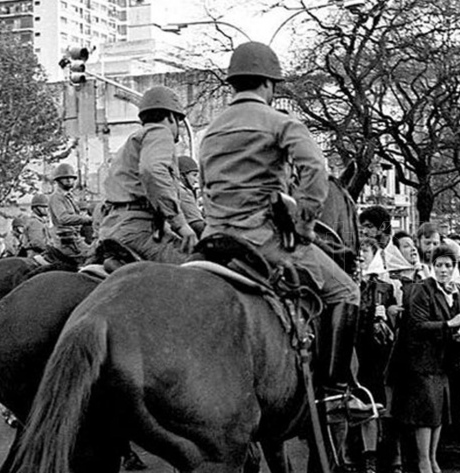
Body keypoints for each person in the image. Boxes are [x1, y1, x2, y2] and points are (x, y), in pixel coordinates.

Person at [198, 41, 364, 408]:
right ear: (269, 85)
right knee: (347, 291)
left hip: (213, 238)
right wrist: (305, 225)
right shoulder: (280, 122)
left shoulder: (209, 132)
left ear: (234, 84)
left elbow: (204, 185)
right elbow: (315, 171)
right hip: (261, 239)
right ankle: (336, 391)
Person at [391, 244, 460, 473]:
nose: (444, 270)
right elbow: (417, 325)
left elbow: (456, 324)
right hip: (421, 362)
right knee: (426, 415)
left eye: (448, 265)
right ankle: (423, 464)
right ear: (431, 266)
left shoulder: (454, 291)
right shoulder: (421, 290)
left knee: (438, 414)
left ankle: (433, 461)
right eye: (439, 265)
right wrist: (450, 324)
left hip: (441, 361)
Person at [100, 86, 195, 263]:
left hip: (113, 228)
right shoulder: (160, 132)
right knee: (199, 269)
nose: (179, 130)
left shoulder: (131, 143)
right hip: (139, 230)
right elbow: (152, 171)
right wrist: (181, 224)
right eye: (178, 122)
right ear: (170, 116)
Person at [355, 237, 396, 473]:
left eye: (365, 253)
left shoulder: (385, 287)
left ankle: (383, 458)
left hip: (378, 352)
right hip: (355, 352)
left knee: (379, 404)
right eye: (358, 254)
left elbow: (394, 327)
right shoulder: (349, 285)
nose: (361, 258)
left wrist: (389, 316)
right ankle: (364, 460)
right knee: (361, 404)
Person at [49, 163, 92, 261]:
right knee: (92, 257)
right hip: (67, 242)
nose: (69, 180)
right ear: (58, 180)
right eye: (65, 178)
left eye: (71, 178)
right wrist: (88, 220)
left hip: (75, 238)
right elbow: (63, 218)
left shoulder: (70, 197)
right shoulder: (56, 198)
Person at [177, 155, 205, 237]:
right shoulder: (183, 193)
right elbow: (196, 223)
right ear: (182, 175)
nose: (196, 180)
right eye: (194, 175)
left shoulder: (176, 189)